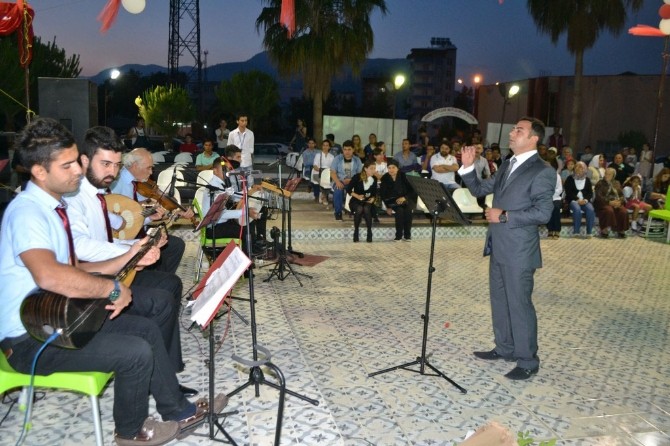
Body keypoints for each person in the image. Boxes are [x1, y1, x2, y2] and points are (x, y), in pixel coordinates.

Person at [0, 118, 226, 446]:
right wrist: (112, 287)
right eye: (68, 165)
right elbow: (48, 274)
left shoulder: (52, 207)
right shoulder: (27, 212)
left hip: (59, 318)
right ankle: (131, 433)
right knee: (134, 351)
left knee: (147, 330)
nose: (78, 170)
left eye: (77, 161)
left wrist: (128, 256)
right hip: (31, 339)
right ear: (39, 171)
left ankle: (179, 411)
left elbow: (75, 264)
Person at [459, 116, 555, 381]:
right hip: (499, 246)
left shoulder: (543, 171)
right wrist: (468, 169)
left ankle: (527, 360)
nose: (512, 133)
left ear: (534, 138)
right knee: (500, 301)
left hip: (520, 251)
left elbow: (544, 212)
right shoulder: (507, 165)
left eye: (519, 130)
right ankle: (505, 348)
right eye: (513, 129)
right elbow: (480, 188)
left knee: (519, 304)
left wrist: (504, 216)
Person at [111, 148, 189, 274]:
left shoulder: (134, 183)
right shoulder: (117, 183)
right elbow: (118, 215)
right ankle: (160, 280)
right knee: (172, 246)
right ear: (135, 166)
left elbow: (144, 208)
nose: (151, 172)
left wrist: (173, 212)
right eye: (148, 168)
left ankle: (162, 279)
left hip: (137, 229)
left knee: (174, 244)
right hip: (123, 237)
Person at [380, 158, 415, 241]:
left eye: (393, 168)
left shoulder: (404, 176)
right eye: (389, 168)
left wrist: (404, 198)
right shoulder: (385, 178)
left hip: (405, 199)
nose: (391, 170)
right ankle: (398, 235)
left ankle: (407, 235)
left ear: (397, 168)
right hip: (392, 201)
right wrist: (388, 207)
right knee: (399, 211)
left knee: (408, 210)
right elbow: (383, 194)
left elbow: (413, 190)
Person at [330, 140, 363, 221]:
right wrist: (337, 181)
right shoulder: (337, 158)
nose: (347, 152)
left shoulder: (357, 160)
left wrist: (351, 180)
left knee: (361, 189)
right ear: (342, 149)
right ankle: (338, 212)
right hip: (340, 181)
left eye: (349, 149)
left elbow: (360, 174)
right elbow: (332, 172)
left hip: (354, 182)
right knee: (338, 189)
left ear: (353, 150)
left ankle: (358, 211)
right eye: (345, 149)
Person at [347, 160, 378, 243]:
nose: (373, 170)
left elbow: (374, 193)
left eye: (374, 168)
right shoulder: (357, 177)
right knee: (360, 208)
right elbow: (348, 190)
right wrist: (357, 196)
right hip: (356, 200)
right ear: (365, 169)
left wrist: (373, 199)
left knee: (367, 209)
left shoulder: (374, 178)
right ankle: (356, 231)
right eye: (371, 168)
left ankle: (369, 231)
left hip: (368, 201)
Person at [593, 167, 629, 238]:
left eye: (609, 174)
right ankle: (604, 230)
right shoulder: (600, 183)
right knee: (608, 210)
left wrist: (619, 202)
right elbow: (599, 196)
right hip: (603, 203)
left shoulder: (617, 183)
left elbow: (621, 195)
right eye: (606, 174)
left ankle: (620, 230)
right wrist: (609, 202)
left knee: (623, 211)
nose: (607, 176)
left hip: (615, 202)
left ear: (613, 176)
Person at [563, 161, 595, 238]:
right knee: (577, 209)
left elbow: (590, 193)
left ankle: (589, 232)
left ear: (584, 169)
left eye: (580, 167)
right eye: (577, 166)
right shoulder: (570, 178)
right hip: (573, 201)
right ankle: (576, 232)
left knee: (590, 209)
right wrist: (577, 200)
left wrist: (585, 200)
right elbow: (568, 192)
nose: (578, 169)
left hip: (584, 201)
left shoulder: (587, 179)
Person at [312, 139, 335, 206]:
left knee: (330, 182)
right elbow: (315, 166)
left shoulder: (332, 156)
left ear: (329, 147)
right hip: (317, 173)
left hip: (328, 174)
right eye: (324, 145)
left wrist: (327, 173)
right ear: (322, 146)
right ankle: (324, 197)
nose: (325, 147)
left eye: (327, 145)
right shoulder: (318, 155)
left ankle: (323, 195)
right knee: (323, 181)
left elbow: (333, 167)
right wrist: (321, 171)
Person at [546, 158, 563, 239]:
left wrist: (551, 195)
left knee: (555, 208)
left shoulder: (557, 176)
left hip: (556, 198)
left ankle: (556, 230)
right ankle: (550, 229)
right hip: (546, 198)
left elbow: (560, 189)